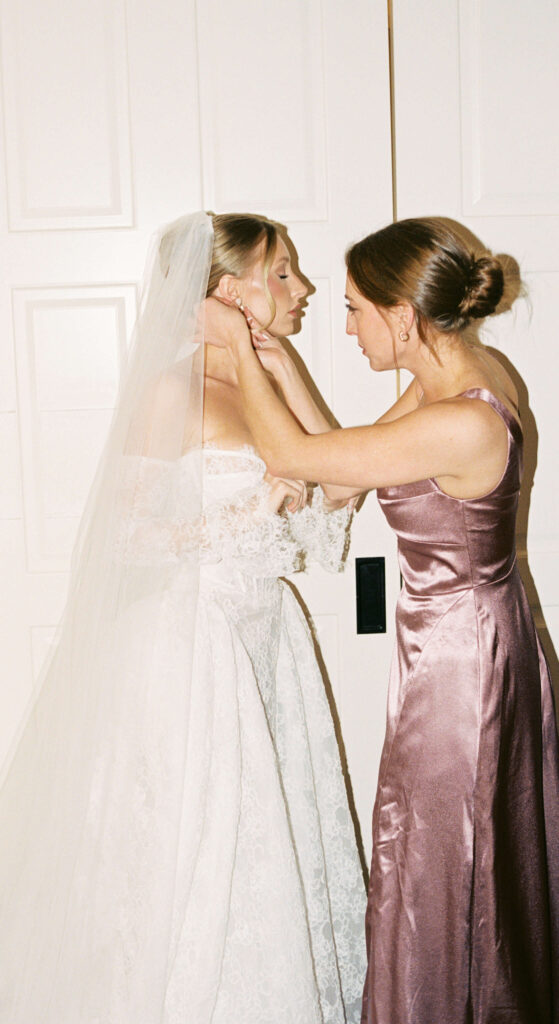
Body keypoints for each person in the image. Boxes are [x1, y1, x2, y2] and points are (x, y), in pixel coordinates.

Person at [0, 212, 366, 1024]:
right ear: (225, 291)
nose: (304, 288)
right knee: (191, 849)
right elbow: (130, 537)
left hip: (267, 639)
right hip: (194, 648)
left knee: (271, 837)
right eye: (281, 273)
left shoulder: (272, 372)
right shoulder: (169, 390)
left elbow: (340, 492)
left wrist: (280, 368)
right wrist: (256, 506)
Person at [208, 216, 559, 1024]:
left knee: (442, 856)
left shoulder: (461, 418)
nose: (345, 326)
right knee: (466, 856)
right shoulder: (457, 377)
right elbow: (344, 474)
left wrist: (237, 346)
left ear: (402, 317)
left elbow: (296, 461)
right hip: (470, 642)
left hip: (461, 668)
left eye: (354, 309)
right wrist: (281, 365)